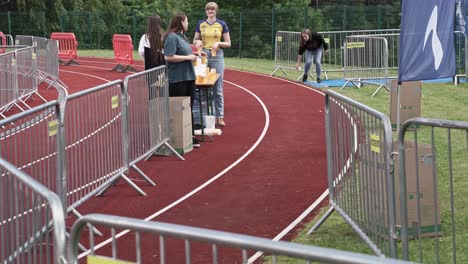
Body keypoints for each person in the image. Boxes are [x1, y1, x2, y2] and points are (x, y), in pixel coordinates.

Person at [164, 12, 204, 148]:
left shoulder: (183, 36)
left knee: (189, 108)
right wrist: (188, 58)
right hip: (178, 79)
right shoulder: (171, 37)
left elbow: (183, 53)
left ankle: (189, 136)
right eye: (186, 21)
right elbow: (168, 57)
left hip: (189, 77)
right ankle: (177, 138)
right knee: (179, 110)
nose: (188, 23)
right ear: (181, 22)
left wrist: (195, 54)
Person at [193, 2, 231, 127]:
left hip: (217, 56)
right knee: (202, 86)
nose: (210, 11)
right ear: (206, 11)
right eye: (208, 9)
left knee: (218, 88)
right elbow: (194, 40)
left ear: (216, 11)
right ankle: (203, 116)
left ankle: (219, 116)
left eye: (212, 9)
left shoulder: (222, 24)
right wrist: (198, 41)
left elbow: (228, 43)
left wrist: (219, 43)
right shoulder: (201, 24)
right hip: (203, 55)